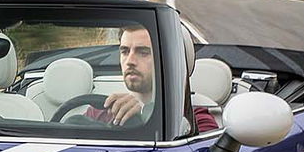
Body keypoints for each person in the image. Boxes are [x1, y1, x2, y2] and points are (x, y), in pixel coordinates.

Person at [86, 26, 217, 132]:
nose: (130, 61)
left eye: (143, 52)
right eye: (125, 51)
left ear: (170, 60)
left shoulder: (196, 120)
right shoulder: (100, 111)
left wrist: (141, 121)